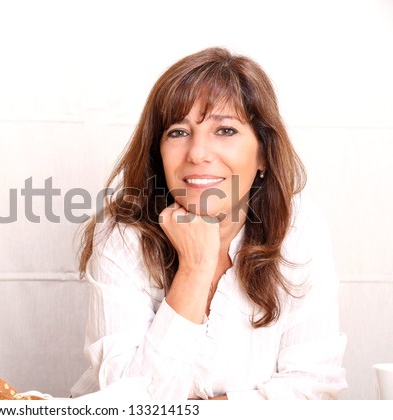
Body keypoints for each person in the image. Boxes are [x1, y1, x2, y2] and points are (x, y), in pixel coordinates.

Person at [70, 47, 347, 400]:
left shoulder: (299, 229)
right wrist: (195, 268)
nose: (197, 153)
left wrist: (210, 408)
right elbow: (132, 404)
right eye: (178, 132)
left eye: (226, 130)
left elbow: (313, 385)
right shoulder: (124, 236)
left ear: (263, 153)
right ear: (158, 152)